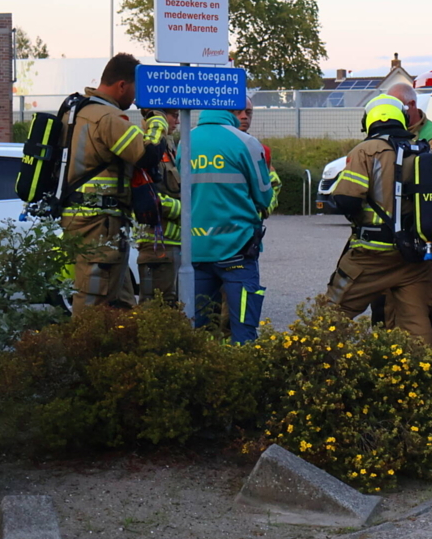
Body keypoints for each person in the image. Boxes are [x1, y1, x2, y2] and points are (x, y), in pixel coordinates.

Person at [324, 95, 432, 347]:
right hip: (415, 258)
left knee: (331, 316)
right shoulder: (426, 153)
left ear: (368, 121)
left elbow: (347, 200)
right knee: (418, 327)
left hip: (370, 256)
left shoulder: (365, 151)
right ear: (402, 119)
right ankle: (425, 370)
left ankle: (314, 364)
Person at [60, 53, 167, 315]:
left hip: (84, 218)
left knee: (119, 303)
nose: (136, 98)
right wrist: (157, 120)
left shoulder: (77, 111)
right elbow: (147, 153)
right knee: (94, 305)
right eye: (136, 90)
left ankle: (114, 342)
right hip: (99, 224)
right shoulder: (107, 118)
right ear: (122, 85)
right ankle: (86, 343)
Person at [186, 108, 273, 344]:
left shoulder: (186, 140)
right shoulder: (246, 142)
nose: (244, 115)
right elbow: (265, 197)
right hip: (238, 247)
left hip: (197, 249)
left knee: (198, 332)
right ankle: (241, 367)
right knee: (243, 329)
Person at [375, 84, 432, 342]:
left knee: (425, 305)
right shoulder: (383, 133)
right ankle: (389, 354)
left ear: (411, 106)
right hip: (390, 235)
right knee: (386, 303)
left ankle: (431, 359)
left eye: (394, 106)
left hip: (422, 231)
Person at [135, 108, 181, 304]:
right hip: (155, 245)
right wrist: (186, 211)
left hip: (171, 243)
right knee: (156, 307)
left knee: (171, 305)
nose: (178, 121)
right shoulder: (146, 149)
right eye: (174, 115)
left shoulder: (168, 147)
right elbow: (148, 199)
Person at [231, 97, 282, 216]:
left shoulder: (262, 151)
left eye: (248, 112)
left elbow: (274, 184)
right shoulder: (215, 146)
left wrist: (263, 211)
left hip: (250, 222)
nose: (244, 117)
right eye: (238, 112)